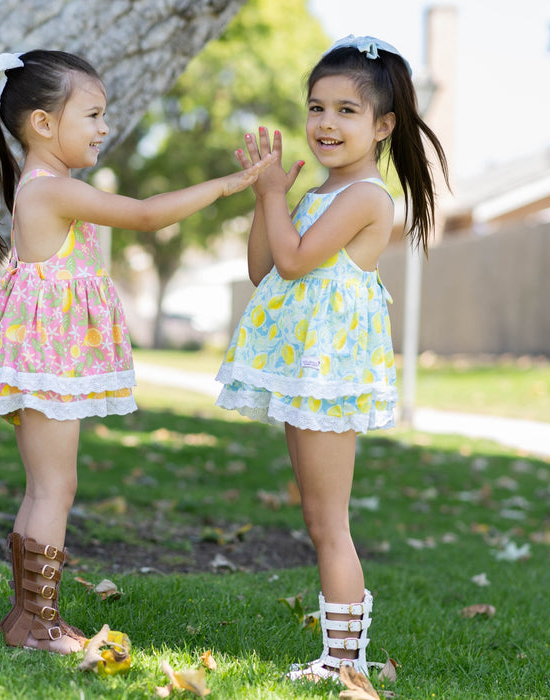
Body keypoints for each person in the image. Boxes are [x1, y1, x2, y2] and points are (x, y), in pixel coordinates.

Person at [0, 49, 274, 655]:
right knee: (54, 488)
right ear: (45, 125)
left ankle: (28, 618)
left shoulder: (50, 187)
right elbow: (149, 215)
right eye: (94, 115)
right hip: (46, 364)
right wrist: (230, 184)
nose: (105, 128)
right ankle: (39, 624)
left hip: (40, 361)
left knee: (43, 486)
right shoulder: (50, 190)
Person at [216, 36, 448, 681]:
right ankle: (340, 658)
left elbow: (292, 259)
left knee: (328, 522)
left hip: (326, 381)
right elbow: (268, 270)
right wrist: (270, 199)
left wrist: (269, 197)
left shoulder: (367, 198)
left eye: (347, 110)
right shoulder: (323, 194)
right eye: (317, 107)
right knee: (318, 517)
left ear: (382, 126)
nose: (326, 123)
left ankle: (346, 663)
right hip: (304, 374)